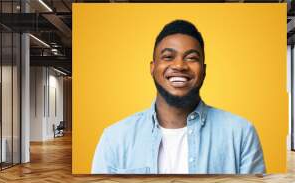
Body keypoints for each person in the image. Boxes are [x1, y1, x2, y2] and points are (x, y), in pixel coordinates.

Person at [92, 20, 266, 174]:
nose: (179, 65)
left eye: (191, 58)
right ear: (152, 68)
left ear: (203, 70)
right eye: (168, 57)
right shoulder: (115, 138)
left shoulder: (241, 133)